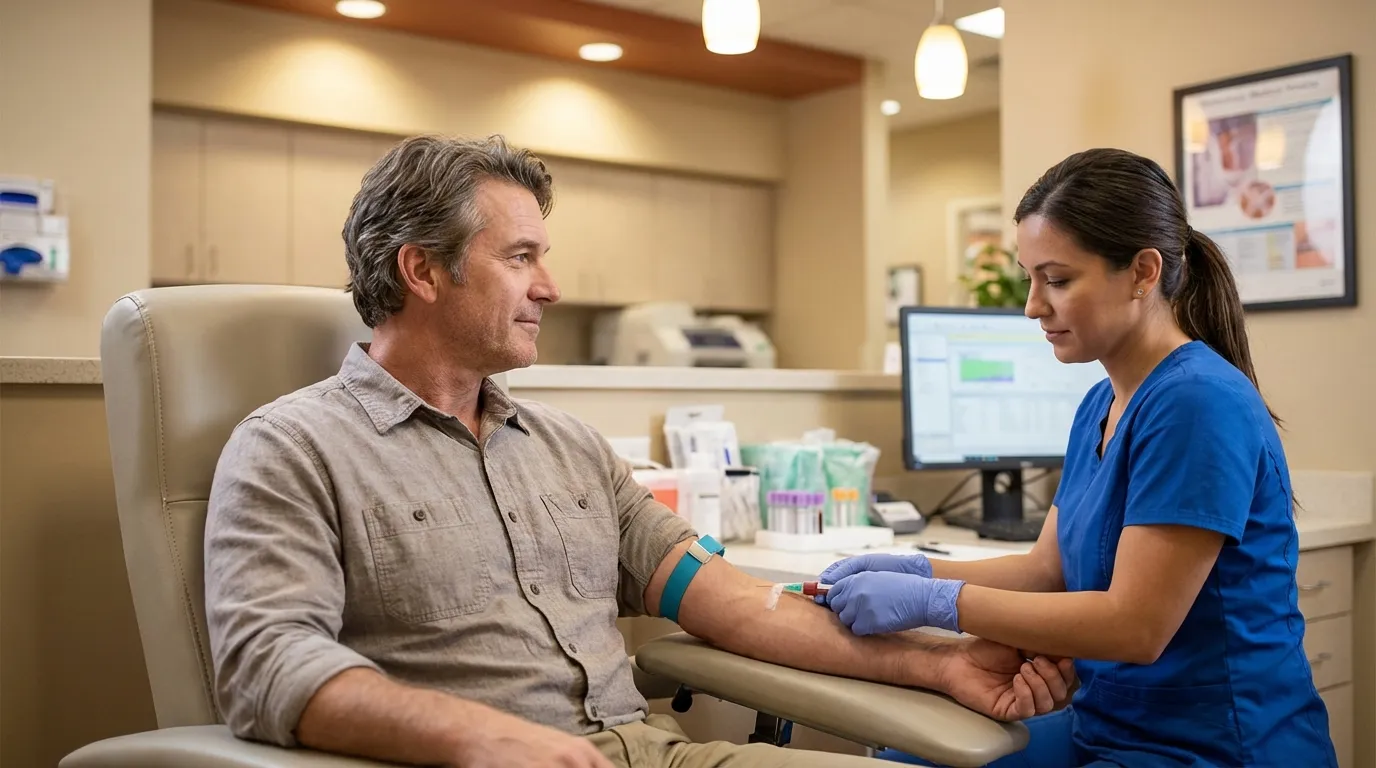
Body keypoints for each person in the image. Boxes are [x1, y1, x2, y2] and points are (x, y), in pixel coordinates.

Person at [203, 134, 1075, 768]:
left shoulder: (569, 450)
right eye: (520, 257)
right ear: (421, 272)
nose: (551, 286)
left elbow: (731, 604)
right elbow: (267, 666)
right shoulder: (293, 449)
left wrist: (941, 661)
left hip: (652, 753)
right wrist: (478, 735)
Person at [818, 148, 1336, 768]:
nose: (1034, 305)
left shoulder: (1197, 402)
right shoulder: (1101, 401)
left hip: (1213, 747)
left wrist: (941, 604)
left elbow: (1134, 627)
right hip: (1107, 726)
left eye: (1058, 280)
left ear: (1144, 272)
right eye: (1030, 278)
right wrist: (916, 572)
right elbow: (1048, 572)